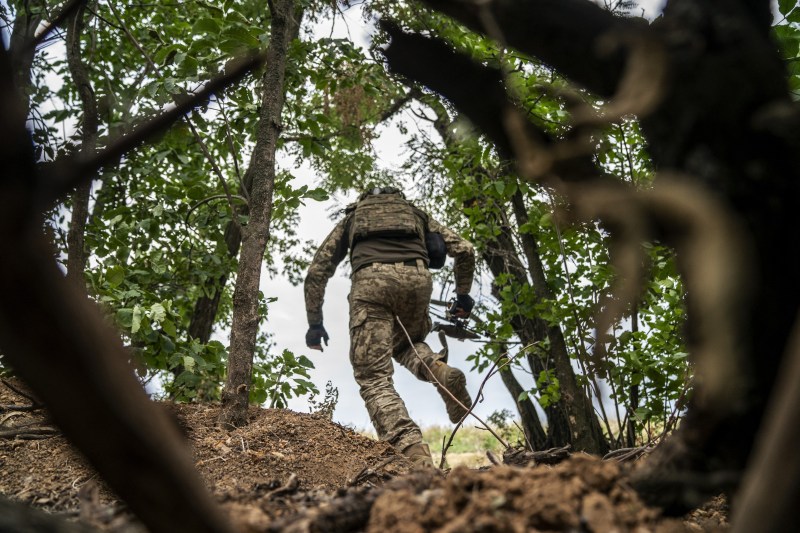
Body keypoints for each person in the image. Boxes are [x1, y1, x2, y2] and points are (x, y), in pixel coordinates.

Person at [304, 186, 476, 468]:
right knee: (407, 343)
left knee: (373, 376)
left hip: (372, 285)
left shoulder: (353, 217)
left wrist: (315, 323)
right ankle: (438, 369)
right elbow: (465, 249)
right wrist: (463, 294)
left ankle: (411, 452)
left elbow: (317, 271)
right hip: (418, 280)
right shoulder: (416, 215)